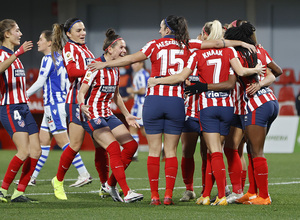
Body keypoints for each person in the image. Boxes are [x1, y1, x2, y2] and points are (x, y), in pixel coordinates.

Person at [88, 15, 257, 205]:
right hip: (176, 101)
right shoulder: (188, 44)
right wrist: (242, 42)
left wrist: (105, 63)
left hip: (154, 101)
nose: (159, 30)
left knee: (153, 151)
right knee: (170, 151)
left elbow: (130, 59)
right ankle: (168, 196)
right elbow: (219, 43)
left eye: (161, 27)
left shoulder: (153, 44)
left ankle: (155, 197)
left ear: (167, 30)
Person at [147, 20, 264, 206]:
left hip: (205, 108)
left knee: (210, 152)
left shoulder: (195, 53)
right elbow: (237, 76)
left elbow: (180, 76)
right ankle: (205, 191)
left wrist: (158, 80)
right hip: (225, 107)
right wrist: (256, 70)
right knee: (210, 151)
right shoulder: (228, 52)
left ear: (206, 34)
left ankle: (216, 193)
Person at [78, 28, 143, 203]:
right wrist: (82, 104)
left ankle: (109, 184)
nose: (124, 51)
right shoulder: (94, 65)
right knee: (113, 148)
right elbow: (81, 91)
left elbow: (116, 96)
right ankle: (127, 191)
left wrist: (127, 115)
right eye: (121, 48)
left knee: (130, 146)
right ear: (109, 49)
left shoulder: (114, 68)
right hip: (93, 114)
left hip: (107, 114)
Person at [224, 22, 281, 205]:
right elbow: (276, 71)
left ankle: (264, 196)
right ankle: (252, 192)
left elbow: (236, 76)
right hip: (271, 101)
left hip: (257, 105)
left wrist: (255, 81)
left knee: (256, 151)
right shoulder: (259, 50)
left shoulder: (235, 54)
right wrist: (262, 82)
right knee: (250, 149)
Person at [25, 30, 92, 187]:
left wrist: (24, 95)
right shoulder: (62, 58)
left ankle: (84, 174)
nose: (38, 42)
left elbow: (40, 82)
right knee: (44, 142)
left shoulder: (48, 59)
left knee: (64, 143)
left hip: (54, 106)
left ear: (49, 42)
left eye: (40, 39)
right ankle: (31, 177)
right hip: (59, 104)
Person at [50, 18, 95, 200]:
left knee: (103, 143)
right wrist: (95, 69)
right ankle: (58, 181)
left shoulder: (86, 49)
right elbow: (72, 72)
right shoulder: (70, 48)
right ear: (68, 34)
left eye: (84, 29)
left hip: (91, 101)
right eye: (78, 30)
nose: (83, 33)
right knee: (75, 144)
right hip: (76, 101)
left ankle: (109, 186)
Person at [0, 19, 40, 203]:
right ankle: (2, 190)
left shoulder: (15, 57)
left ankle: (19, 192)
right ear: (6, 34)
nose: (21, 33)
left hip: (24, 107)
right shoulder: (3, 54)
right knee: (23, 151)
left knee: (36, 151)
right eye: (17, 30)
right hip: (10, 107)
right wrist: (18, 53)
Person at [126, 61, 149, 161]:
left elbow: (143, 90)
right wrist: (128, 97)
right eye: (132, 64)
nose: (132, 65)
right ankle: (161, 147)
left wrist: (132, 91)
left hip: (140, 105)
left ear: (141, 64)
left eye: (135, 64)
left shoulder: (142, 74)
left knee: (134, 128)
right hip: (139, 105)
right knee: (142, 130)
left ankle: (134, 154)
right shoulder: (141, 74)